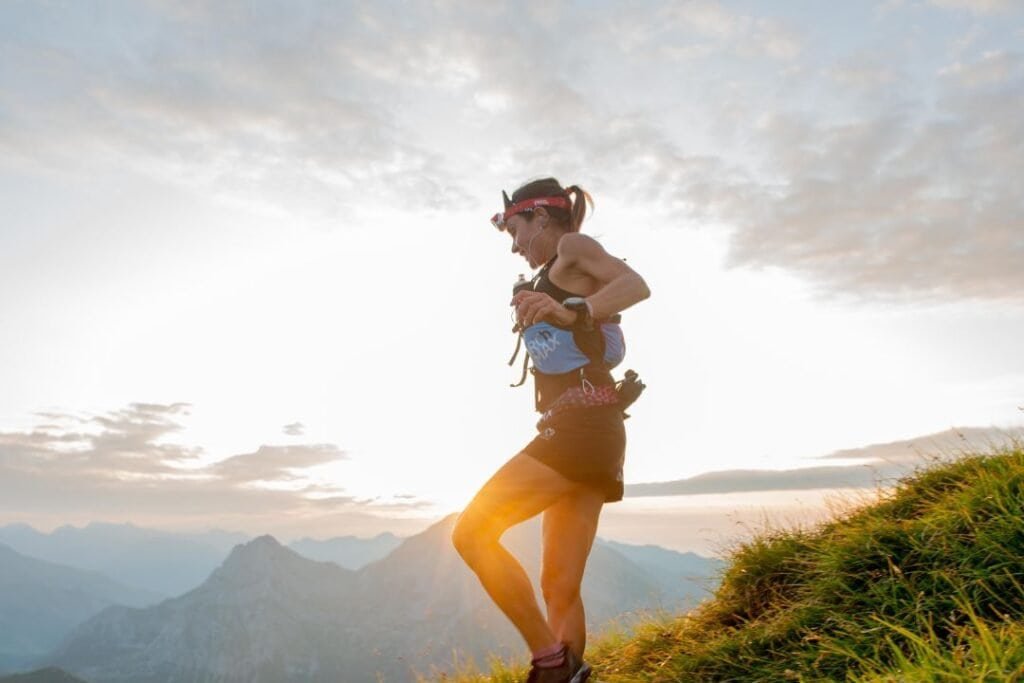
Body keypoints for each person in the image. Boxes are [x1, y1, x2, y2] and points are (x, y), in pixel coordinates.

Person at [451, 178, 651, 683]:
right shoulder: (542, 276)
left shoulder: (572, 246)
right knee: (559, 585)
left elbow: (635, 284)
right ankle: (569, 673)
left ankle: (550, 662)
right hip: (596, 429)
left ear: (540, 217)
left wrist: (573, 310)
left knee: (472, 533)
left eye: (515, 231)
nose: (514, 245)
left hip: (581, 430)